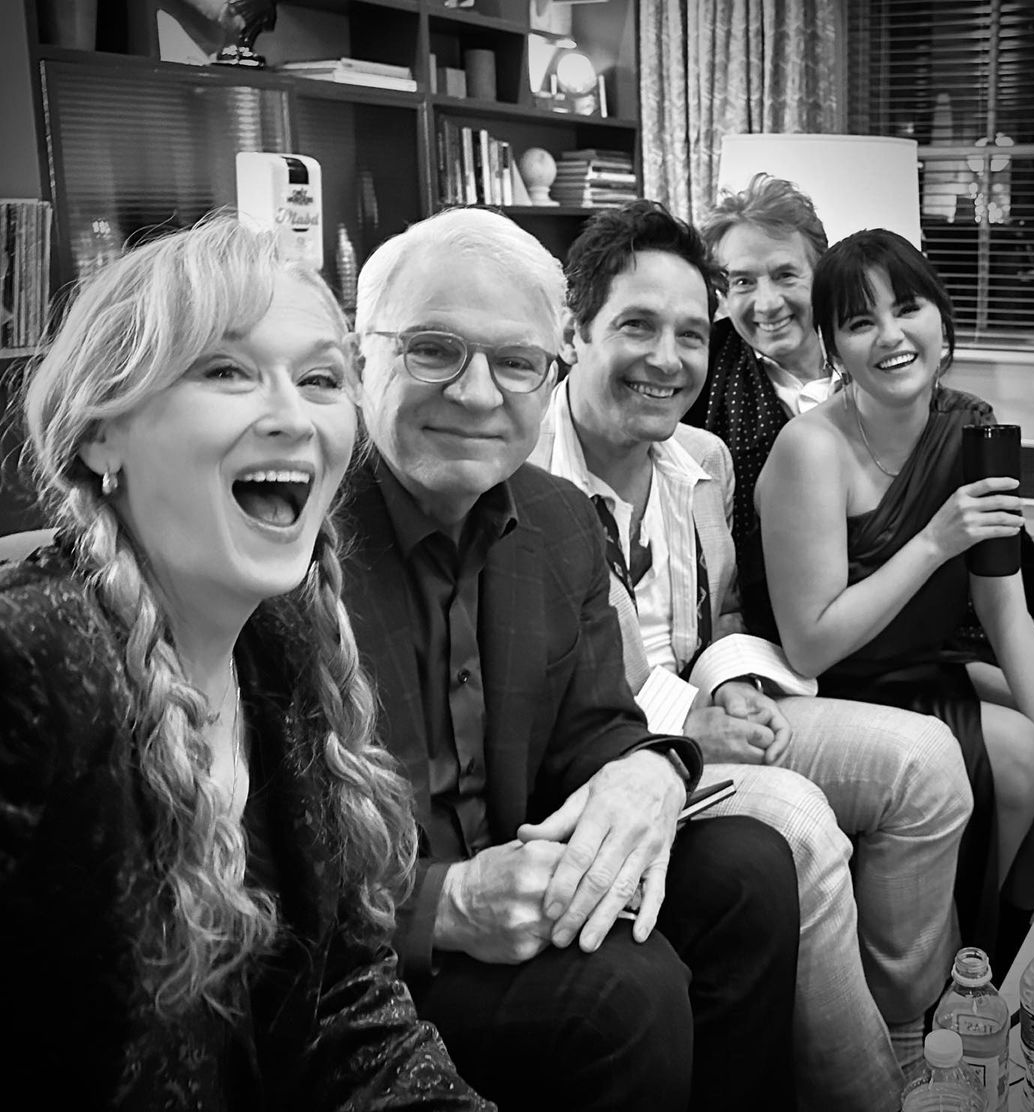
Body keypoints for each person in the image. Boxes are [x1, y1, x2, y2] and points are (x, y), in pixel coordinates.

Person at [0, 216, 492, 1110]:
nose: (292, 417)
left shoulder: (285, 646)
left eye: (320, 380)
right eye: (226, 371)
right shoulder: (29, 660)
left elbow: (344, 1006)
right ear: (101, 435)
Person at [338, 205, 801, 1112]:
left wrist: (653, 770)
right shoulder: (301, 542)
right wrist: (445, 903)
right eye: (433, 350)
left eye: (516, 362)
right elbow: (258, 851)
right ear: (362, 363)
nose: (478, 394)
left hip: (524, 861)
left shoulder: (555, 518)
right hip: (374, 949)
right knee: (626, 996)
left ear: (549, 368)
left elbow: (599, 726)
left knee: (750, 869)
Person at [529, 199, 973, 1104]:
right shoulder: (528, 472)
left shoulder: (701, 460)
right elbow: (562, 674)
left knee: (929, 762)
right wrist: (687, 719)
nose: (668, 359)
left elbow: (724, 614)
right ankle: (869, 1096)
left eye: (691, 334)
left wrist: (730, 681)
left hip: (706, 707)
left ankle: (906, 1034)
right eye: (637, 327)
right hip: (605, 744)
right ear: (573, 333)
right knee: (801, 824)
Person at [757, 227, 1034, 960]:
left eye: (907, 308)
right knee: (1022, 757)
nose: (891, 336)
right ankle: (951, 963)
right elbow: (811, 644)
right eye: (860, 321)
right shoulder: (811, 448)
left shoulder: (973, 427)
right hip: (842, 692)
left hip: (933, 667)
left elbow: (1002, 606)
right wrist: (934, 541)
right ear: (833, 348)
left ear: (941, 315)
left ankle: (1014, 946)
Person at [685, 172, 1034, 700]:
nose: (766, 302)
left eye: (784, 275)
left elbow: (968, 501)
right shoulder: (704, 369)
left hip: (938, 619)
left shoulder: (893, 375)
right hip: (800, 645)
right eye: (741, 282)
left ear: (821, 275)